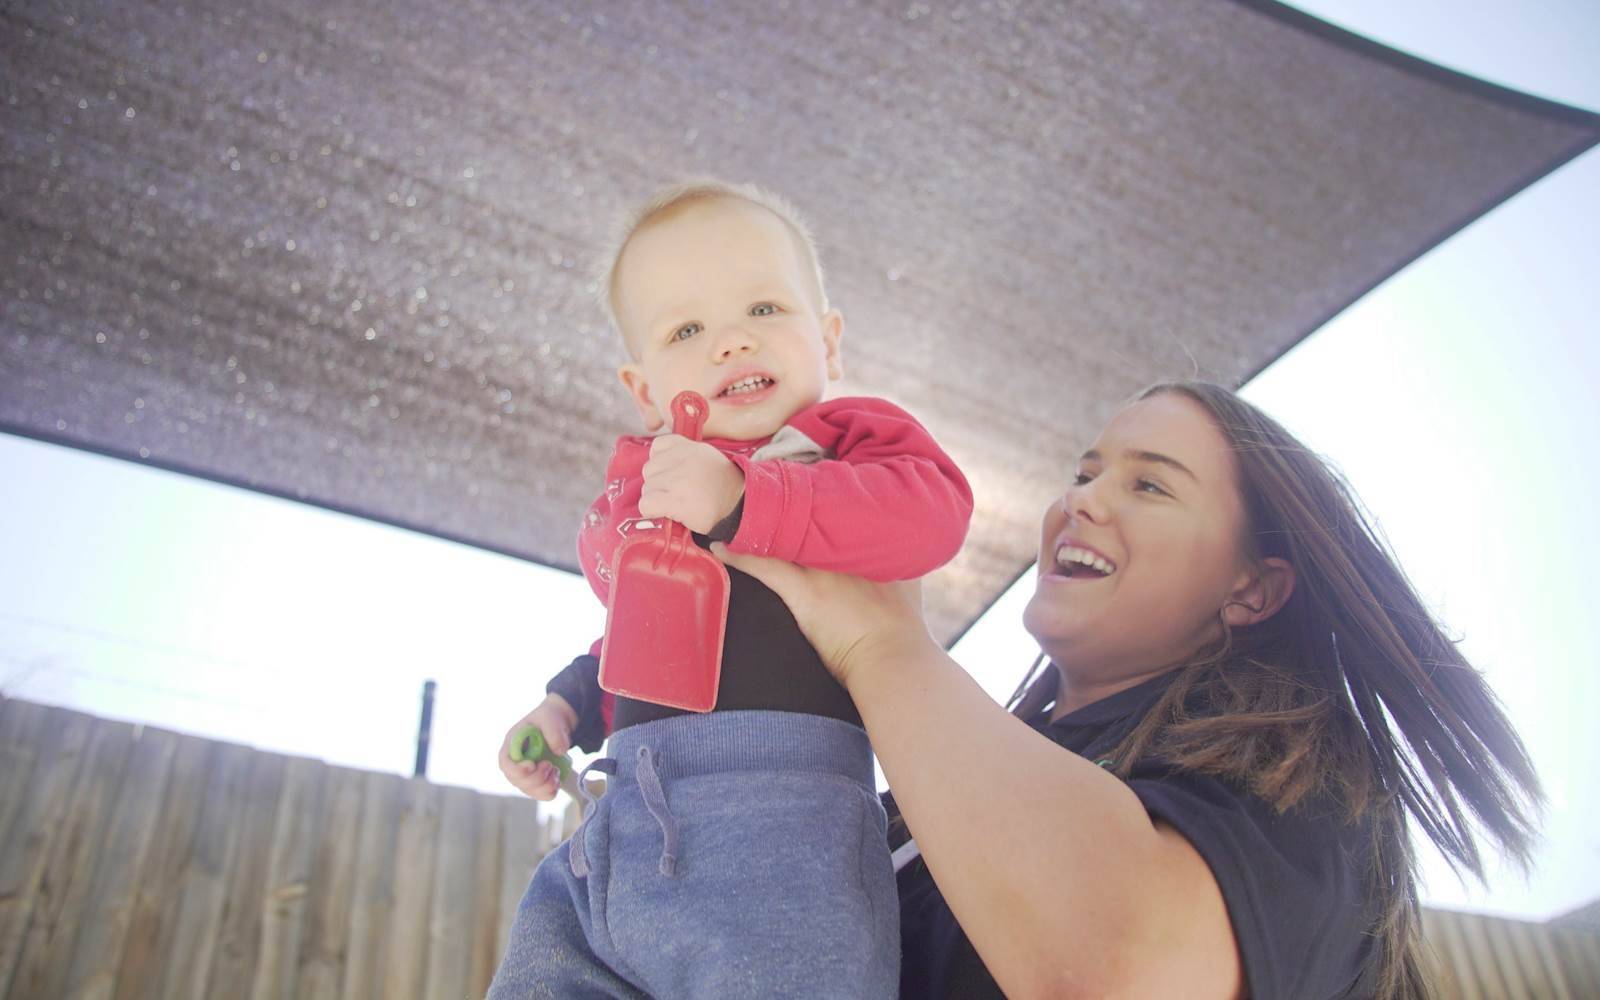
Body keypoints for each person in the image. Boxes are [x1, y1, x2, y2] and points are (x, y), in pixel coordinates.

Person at [715, 380, 1542, 999]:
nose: (1081, 500)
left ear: (1253, 588)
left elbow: (1126, 965)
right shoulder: (928, 797)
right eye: (1085, 471)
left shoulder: (1310, 780)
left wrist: (883, 642)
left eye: (1149, 485)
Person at [488, 181, 973, 998]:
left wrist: (750, 500)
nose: (731, 344)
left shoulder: (842, 447)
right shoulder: (658, 493)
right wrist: (565, 707)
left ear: (830, 343)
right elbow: (644, 635)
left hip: (784, 827)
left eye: (765, 310)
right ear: (644, 391)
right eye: (687, 329)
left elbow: (934, 514)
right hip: (618, 828)